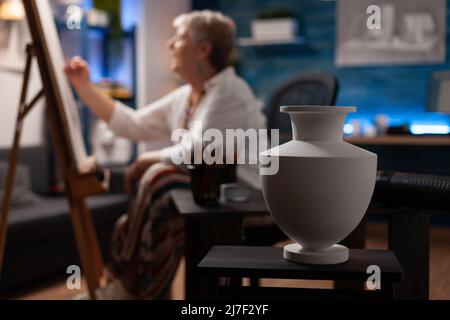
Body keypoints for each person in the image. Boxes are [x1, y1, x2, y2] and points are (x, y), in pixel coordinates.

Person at [65, 10, 266, 299]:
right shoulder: (186, 95)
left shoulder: (230, 91)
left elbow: (199, 151)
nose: (171, 44)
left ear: (203, 49)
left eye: (179, 38)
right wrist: (83, 86)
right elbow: (132, 123)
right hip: (208, 193)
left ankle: (136, 289)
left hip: (243, 197)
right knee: (156, 188)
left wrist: (150, 158)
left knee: (160, 177)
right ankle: (141, 289)